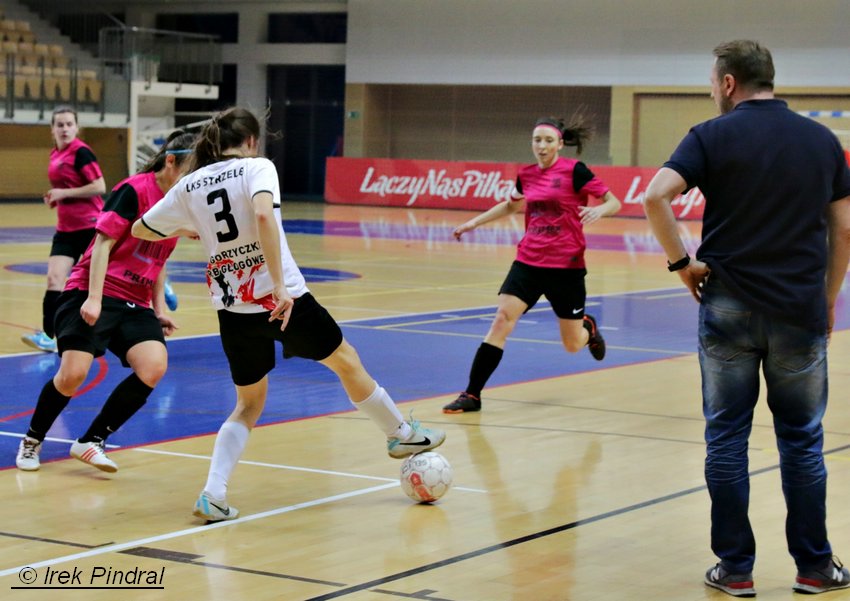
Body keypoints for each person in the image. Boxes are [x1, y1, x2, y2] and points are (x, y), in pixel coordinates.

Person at [131, 107, 446, 522]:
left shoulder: (189, 184)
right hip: (282, 300)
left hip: (233, 308)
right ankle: (399, 434)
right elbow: (262, 214)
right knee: (345, 361)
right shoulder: (257, 168)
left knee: (247, 404)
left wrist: (189, 228)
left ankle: (213, 493)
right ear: (250, 142)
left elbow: (140, 229)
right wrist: (278, 284)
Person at [643, 40, 850, 597]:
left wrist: (682, 265)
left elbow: (655, 195)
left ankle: (736, 570)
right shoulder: (821, 140)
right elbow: (845, 229)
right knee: (802, 442)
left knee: (727, 440)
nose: (713, 91)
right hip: (798, 310)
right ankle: (814, 568)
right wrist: (828, 298)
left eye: (713, 82)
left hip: (728, 305)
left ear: (729, 83)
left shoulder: (710, 135)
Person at [15, 130, 196, 473]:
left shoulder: (178, 204)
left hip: (135, 301)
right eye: (189, 171)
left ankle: (91, 440)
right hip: (91, 290)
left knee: (154, 365)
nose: (191, 180)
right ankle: (32, 440)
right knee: (72, 375)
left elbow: (158, 260)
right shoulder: (134, 189)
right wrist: (94, 299)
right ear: (170, 162)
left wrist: (158, 310)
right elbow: (102, 244)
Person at [442, 114, 621, 414]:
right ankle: (472, 395)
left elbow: (614, 201)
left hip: (566, 266)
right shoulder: (526, 175)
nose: (542, 145)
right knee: (502, 320)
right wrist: (473, 222)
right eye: (537, 140)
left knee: (572, 344)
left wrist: (601, 210)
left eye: (548, 140)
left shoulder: (575, 171)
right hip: (529, 261)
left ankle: (588, 328)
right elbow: (512, 205)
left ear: (560, 144)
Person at [22, 106, 107, 353]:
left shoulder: (81, 152)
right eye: (60, 125)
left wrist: (64, 193)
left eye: (70, 124)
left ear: (77, 127)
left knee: (104, 280)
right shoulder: (55, 154)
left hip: (90, 227)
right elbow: (66, 187)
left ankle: (156, 284)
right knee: (54, 278)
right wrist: (56, 198)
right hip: (65, 229)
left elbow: (99, 186)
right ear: (52, 129)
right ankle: (50, 337)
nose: (65, 129)